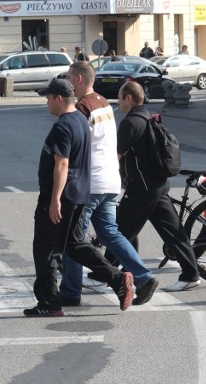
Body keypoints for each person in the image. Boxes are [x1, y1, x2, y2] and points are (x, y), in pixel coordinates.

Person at [24, 79, 134, 317]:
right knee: (74, 246)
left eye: (49, 97)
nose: (47, 101)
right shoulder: (81, 121)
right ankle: (118, 279)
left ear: (60, 98)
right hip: (80, 193)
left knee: (45, 250)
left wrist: (55, 200)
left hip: (62, 196)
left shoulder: (63, 125)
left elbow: (62, 164)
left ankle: (49, 303)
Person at [59, 62, 158, 307]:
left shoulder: (82, 107)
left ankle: (70, 291)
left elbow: (78, 145)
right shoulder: (104, 102)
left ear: (79, 79)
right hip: (110, 180)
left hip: (90, 183)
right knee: (110, 233)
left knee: (74, 240)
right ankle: (144, 277)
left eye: (70, 79)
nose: (69, 84)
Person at [116, 81, 201, 291]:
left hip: (142, 188)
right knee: (174, 233)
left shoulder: (130, 123)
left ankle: (103, 273)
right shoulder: (149, 116)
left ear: (128, 98)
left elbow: (116, 155)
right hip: (158, 184)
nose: (118, 102)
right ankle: (191, 274)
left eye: (119, 98)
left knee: (118, 231)